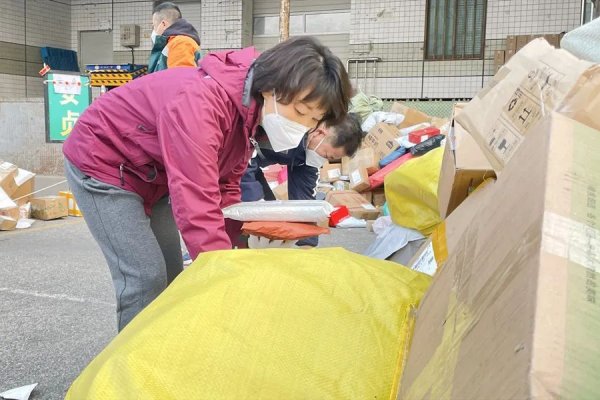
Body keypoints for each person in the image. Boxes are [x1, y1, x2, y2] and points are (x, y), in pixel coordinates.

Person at [62, 37, 352, 331]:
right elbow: (197, 204)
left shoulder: (247, 113)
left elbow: (226, 186)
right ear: (272, 87)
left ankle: (166, 345)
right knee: (145, 277)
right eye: (300, 112)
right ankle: (133, 359)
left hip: (154, 175)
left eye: (313, 120)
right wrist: (225, 276)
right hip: (104, 162)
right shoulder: (202, 104)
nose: (302, 126)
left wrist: (243, 243)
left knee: (173, 273)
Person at [241, 113, 363, 247]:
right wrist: (255, 204)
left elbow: (304, 200)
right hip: (234, 156)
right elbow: (242, 154)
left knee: (270, 218)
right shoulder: (286, 124)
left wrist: (307, 244)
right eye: (326, 155)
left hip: (249, 164)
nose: (323, 160)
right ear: (319, 133)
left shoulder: (309, 153)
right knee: (249, 212)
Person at [149, 2, 201, 72]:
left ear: (163, 24)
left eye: (154, 26)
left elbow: (180, 76)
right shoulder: (172, 42)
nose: (154, 30)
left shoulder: (181, 43)